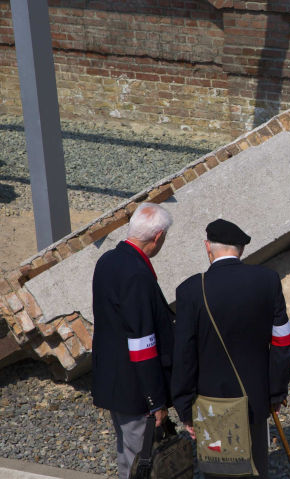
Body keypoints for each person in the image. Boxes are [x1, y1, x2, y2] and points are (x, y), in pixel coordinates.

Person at [171, 219, 290, 478]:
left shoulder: (191, 290)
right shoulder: (267, 280)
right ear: (241, 249)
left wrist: (185, 407)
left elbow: (183, 355)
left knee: (219, 471)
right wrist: (276, 391)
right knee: (256, 466)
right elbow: (283, 341)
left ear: (208, 247)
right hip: (255, 397)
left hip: (210, 402)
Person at [91, 202, 175, 479]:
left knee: (126, 452)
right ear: (158, 236)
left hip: (114, 378)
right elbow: (142, 342)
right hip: (135, 386)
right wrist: (155, 400)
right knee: (142, 460)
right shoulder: (137, 273)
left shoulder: (108, 261)